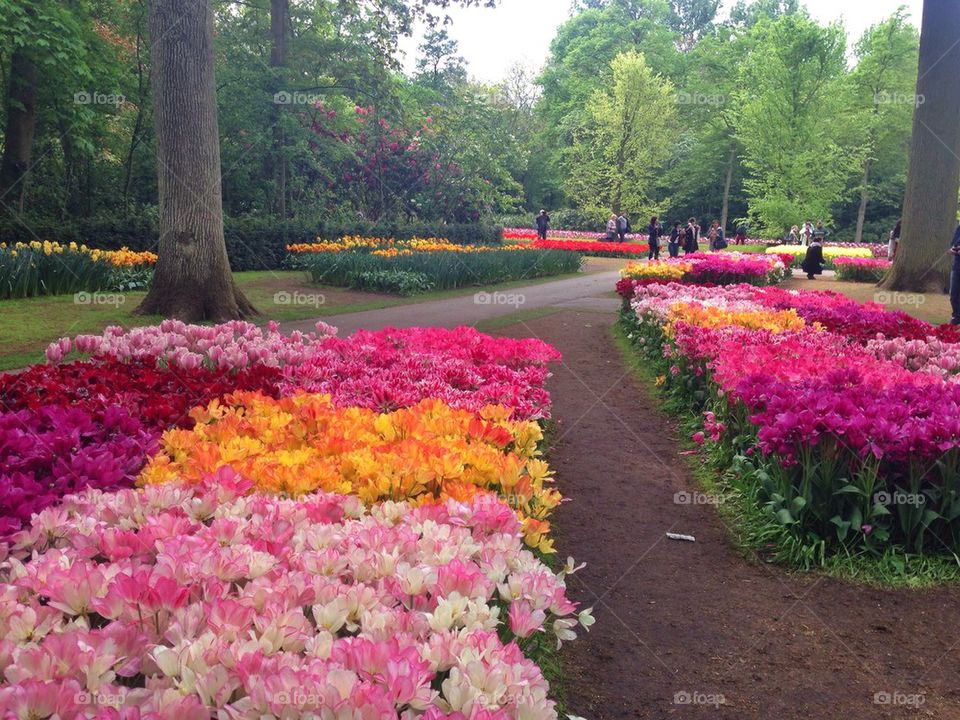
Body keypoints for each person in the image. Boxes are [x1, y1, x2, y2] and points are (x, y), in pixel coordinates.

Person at [951, 224, 960, 325]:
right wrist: (953, 249)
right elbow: (953, 243)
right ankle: (956, 316)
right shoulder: (958, 228)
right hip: (957, 265)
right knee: (954, 294)